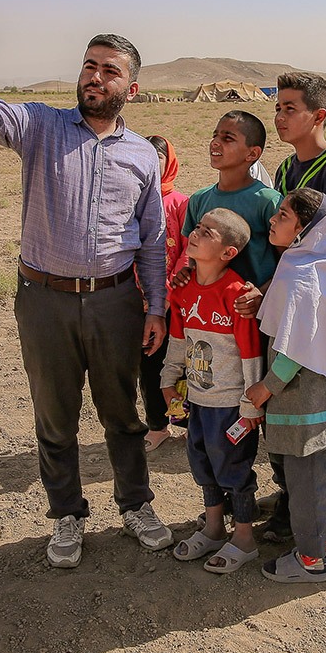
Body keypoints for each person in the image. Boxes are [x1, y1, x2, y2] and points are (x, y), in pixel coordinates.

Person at [0, 22, 172, 569]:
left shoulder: (142, 155)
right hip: (44, 300)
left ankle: (136, 505)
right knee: (55, 418)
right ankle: (67, 513)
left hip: (115, 302)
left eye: (110, 71)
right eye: (90, 66)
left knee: (123, 415)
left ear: (131, 90)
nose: (95, 77)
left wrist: (155, 307)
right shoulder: (41, 125)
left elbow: (153, 239)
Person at [262, 72, 326, 541]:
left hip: (321, 305)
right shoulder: (286, 168)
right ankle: (294, 497)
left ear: (318, 115)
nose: (279, 117)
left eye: (290, 108)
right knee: (292, 405)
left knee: (322, 402)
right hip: (291, 297)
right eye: (277, 107)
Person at [247, 189, 326, 582]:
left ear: (305, 229)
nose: (273, 220)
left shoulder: (303, 275)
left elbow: (295, 347)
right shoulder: (320, 263)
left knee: (305, 481)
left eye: (283, 215)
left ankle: (311, 561)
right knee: (320, 477)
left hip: (303, 399)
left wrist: (266, 387)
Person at [161, 208, 265, 574]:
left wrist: (250, 406)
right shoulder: (183, 288)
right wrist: (168, 380)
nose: (196, 233)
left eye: (208, 232)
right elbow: (178, 339)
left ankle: (245, 539)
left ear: (228, 253)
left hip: (231, 405)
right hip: (197, 401)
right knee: (202, 463)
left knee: (234, 470)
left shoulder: (237, 295)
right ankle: (214, 528)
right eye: (198, 227)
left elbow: (251, 354)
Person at [181, 111, 282, 291]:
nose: (215, 142)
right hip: (210, 304)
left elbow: (288, 260)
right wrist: (188, 274)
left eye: (227, 138)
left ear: (252, 153)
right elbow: (195, 257)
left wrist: (261, 294)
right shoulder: (199, 199)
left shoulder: (268, 201)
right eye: (215, 135)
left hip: (255, 305)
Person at [141, 136, 191, 451]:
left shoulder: (182, 203)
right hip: (141, 301)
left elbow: (188, 251)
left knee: (181, 364)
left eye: (157, 157)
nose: (151, 163)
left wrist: (169, 291)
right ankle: (157, 425)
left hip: (176, 302)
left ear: (168, 161)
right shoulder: (132, 200)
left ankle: (184, 422)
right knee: (148, 364)